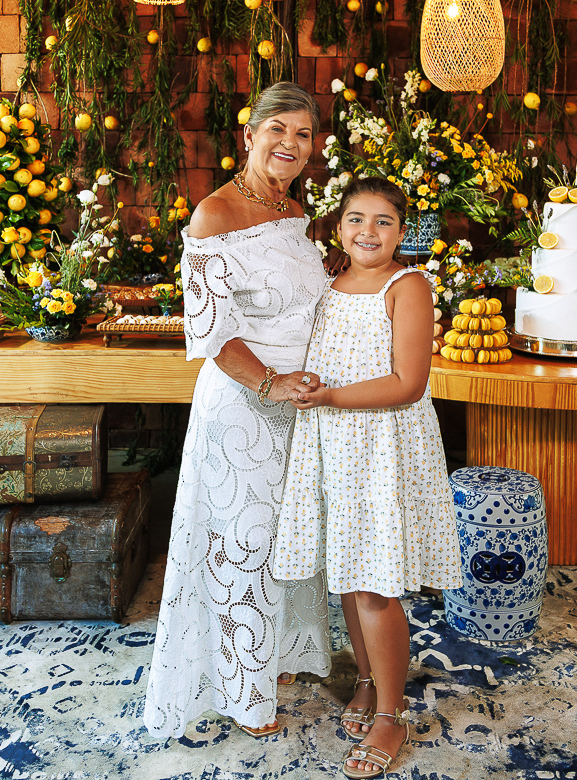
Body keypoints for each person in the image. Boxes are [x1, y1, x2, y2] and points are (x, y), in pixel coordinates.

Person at [143, 83, 332, 740]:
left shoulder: (291, 209)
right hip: (244, 407)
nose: (290, 144)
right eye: (278, 129)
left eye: (303, 134)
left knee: (288, 537)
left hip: (300, 405)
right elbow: (211, 329)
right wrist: (270, 383)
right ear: (248, 136)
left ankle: (275, 656)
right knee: (242, 545)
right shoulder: (214, 214)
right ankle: (244, 692)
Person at [272, 177, 462, 778]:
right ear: (338, 228)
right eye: (356, 219)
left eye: (383, 221)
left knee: (376, 585)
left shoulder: (408, 287)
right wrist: (307, 385)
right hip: (334, 447)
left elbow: (408, 383)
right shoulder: (328, 286)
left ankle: (391, 714)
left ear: (402, 232)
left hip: (383, 449)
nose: (368, 231)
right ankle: (370, 678)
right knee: (351, 578)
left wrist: (329, 395)